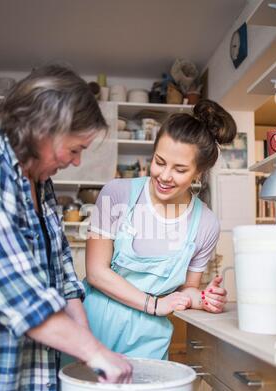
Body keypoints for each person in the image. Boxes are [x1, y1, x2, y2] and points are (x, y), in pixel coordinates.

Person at [0, 65, 132, 391]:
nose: (77, 162)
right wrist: (94, 352)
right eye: (76, 149)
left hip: (38, 377)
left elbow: (64, 280)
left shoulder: (41, 183)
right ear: (43, 129)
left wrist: (90, 354)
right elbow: (15, 291)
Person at [83, 99, 237, 360]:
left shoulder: (206, 224)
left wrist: (203, 298)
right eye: (159, 161)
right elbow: (96, 272)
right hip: (92, 334)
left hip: (149, 343)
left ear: (199, 173)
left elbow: (186, 290)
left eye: (179, 169)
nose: (165, 176)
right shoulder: (117, 194)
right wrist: (153, 304)